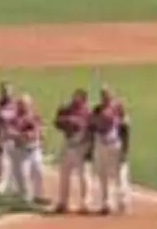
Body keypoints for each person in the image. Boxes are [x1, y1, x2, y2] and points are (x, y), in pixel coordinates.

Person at [89, 87, 132, 215]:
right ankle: (106, 203)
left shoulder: (119, 109)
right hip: (101, 145)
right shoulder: (97, 109)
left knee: (120, 174)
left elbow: (126, 129)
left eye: (107, 95)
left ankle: (123, 202)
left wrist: (125, 149)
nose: (105, 97)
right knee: (103, 175)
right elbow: (92, 127)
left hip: (115, 145)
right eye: (103, 95)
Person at [51, 89, 92, 215]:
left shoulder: (87, 112)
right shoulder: (66, 109)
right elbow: (57, 122)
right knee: (64, 174)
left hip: (81, 146)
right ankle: (63, 202)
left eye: (79, 97)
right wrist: (66, 121)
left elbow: (89, 129)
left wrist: (89, 149)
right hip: (68, 145)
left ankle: (85, 203)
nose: (75, 99)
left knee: (83, 175)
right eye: (75, 97)